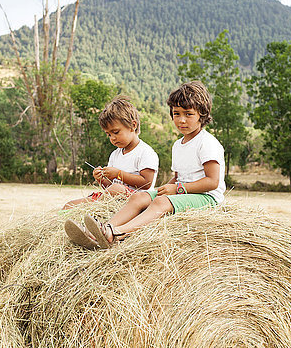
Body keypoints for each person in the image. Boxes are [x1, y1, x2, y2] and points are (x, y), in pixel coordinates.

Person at [72, 81, 225, 249]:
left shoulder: (206, 142)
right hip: (184, 192)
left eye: (188, 114)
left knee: (161, 203)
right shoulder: (178, 145)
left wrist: (177, 190)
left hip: (207, 197)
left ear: (202, 114)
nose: (181, 120)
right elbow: (178, 177)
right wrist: (166, 188)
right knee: (139, 197)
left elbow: (212, 182)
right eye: (176, 113)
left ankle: (117, 233)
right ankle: (100, 231)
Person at [62, 96, 159, 210]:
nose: (112, 138)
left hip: (138, 200)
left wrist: (119, 174)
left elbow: (146, 183)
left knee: (117, 189)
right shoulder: (115, 155)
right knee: (69, 205)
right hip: (115, 200)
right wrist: (101, 179)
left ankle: (92, 209)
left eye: (116, 132)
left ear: (133, 125)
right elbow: (109, 188)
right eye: (108, 134)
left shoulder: (145, 152)